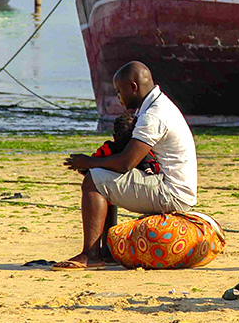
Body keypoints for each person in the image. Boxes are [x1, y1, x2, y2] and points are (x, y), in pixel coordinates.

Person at [56, 62, 198, 270]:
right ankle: (109, 251)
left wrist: (89, 162)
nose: (118, 97)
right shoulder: (157, 104)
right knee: (103, 175)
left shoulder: (154, 114)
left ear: (133, 87)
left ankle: (91, 254)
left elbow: (126, 163)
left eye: (119, 91)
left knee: (93, 180)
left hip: (172, 193)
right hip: (173, 186)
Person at [91, 113, 160, 175]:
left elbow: (93, 160)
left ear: (114, 136)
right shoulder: (143, 151)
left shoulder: (108, 149)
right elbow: (156, 166)